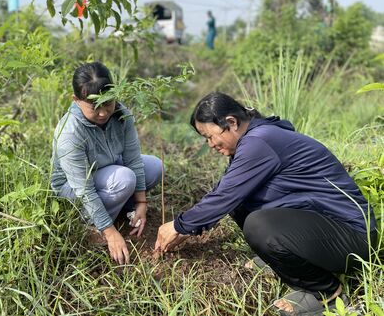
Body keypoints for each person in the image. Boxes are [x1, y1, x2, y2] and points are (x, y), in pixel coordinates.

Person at [154, 92, 377, 316]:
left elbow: (224, 196)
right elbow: (226, 192)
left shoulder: (259, 141)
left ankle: (325, 292)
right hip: (323, 225)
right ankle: (283, 259)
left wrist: (179, 226)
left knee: (258, 225)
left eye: (210, 136)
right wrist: (190, 226)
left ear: (231, 122)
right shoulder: (255, 138)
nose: (210, 144)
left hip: (354, 236)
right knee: (241, 204)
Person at [51, 61, 162, 264]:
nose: (103, 113)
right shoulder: (70, 132)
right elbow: (83, 189)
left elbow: (133, 159)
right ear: (76, 100)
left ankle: (119, 210)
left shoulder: (121, 114)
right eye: (94, 107)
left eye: (108, 103)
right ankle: (92, 227)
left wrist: (141, 203)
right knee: (124, 179)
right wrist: (110, 232)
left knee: (154, 167)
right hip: (73, 189)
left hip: (108, 172)